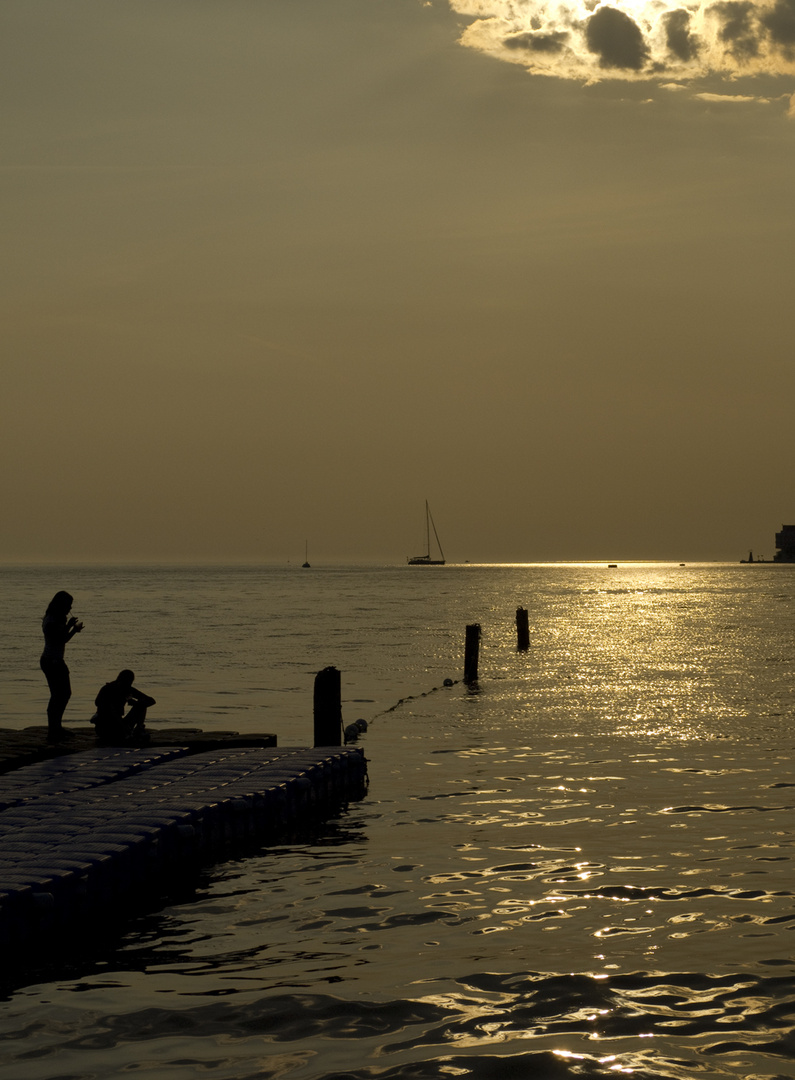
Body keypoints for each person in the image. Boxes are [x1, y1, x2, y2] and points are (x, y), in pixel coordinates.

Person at [40, 590, 83, 741]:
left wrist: (73, 630)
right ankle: (54, 729)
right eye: (68, 605)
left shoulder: (57, 619)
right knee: (59, 695)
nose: (70, 609)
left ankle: (56, 728)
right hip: (52, 661)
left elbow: (63, 639)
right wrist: (70, 626)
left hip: (55, 660)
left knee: (62, 695)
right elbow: (57, 638)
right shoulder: (51, 620)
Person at [92, 669, 156, 746]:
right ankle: (131, 731)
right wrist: (124, 727)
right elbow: (109, 711)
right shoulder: (108, 689)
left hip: (119, 725)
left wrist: (135, 702)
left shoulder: (127, 689)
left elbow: (151, 700)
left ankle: (139, 728)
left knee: (141, 704)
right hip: (105, 727)